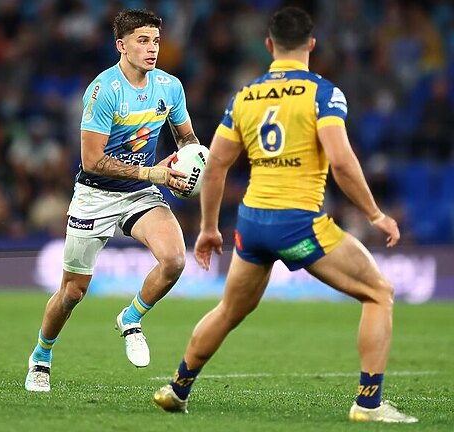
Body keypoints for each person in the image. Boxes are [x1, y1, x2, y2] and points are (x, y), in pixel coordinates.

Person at [153, 6, 418, 424]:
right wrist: (375, 214)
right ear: (311, 45)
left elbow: (216, 164)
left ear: (268, 46)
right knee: (379, 292)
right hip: (297, 222)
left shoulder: (244, 97)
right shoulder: (323, 93)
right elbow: (342, 161)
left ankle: (177, 388)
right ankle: (369, 403)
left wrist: (207, 228)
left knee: (229, 309)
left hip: (253, 223)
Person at [25, 8, 201, 392]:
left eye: (156, 40)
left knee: (173, 259)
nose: (152, 48)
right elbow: (93, 160)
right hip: (95, 196)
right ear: (121, 46)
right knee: (72, 292)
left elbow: (187, 139)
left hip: (139, 195)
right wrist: (151, 172)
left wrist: (190, 163)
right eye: (142, 40)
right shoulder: (103, 91)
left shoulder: (170, 87)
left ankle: (131, 318)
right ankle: (41, 355)